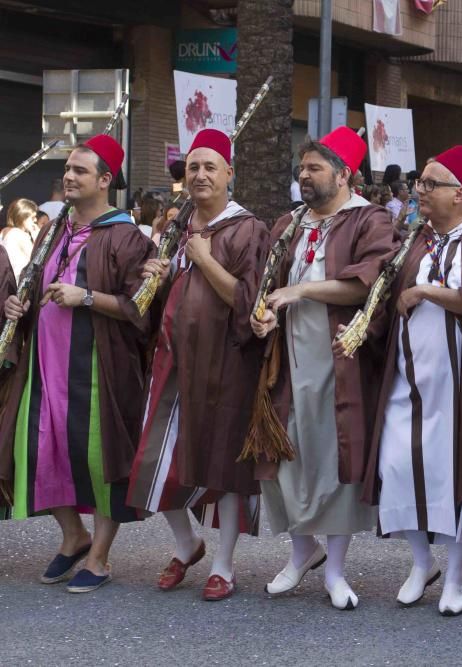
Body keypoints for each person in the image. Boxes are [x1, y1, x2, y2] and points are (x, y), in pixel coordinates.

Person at [356, 144, 462, 616]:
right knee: (397, 466)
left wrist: (426, 291)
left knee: (451, 472)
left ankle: (455, 575)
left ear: (460, 193)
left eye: (430, 184)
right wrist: (360, 328)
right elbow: (387, 297)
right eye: (420, 183)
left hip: (456, 381)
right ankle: (421, 563)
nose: (419, 191)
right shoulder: (414, 238)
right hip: (405, 376)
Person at [250, 128, 397, 609]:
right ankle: (301, 551)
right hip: (287, 363)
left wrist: (301, 292)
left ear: (343, 173)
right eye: (302, 168)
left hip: (338, 361)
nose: (304, 176)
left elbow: (367, 285)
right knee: (285, 457)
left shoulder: (368, 220)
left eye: (314, 168)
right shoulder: (289, 223)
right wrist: (265, 313)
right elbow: (268, 283)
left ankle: (335, 570)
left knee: (334, 461)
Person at [0, 135, 154, 593]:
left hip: (98, 368)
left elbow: (140, 308)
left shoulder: (127, 236)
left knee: (98, 457)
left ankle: (101, 558)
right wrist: (17, 305)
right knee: (37, 452)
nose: (69, 176)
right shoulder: (54, 228)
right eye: (68, 168)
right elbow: (37, 288)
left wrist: (85, 297)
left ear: (105, 181)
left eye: (80, 171)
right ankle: (73, 537)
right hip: (43, 367)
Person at [126, 128, 270, 602]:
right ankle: (187, 544)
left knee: (223, 465)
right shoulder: (174, 228)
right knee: (154, 461)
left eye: (211, 167)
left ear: (230, 173)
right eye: (193, 167)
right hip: (173, 362)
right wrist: (158, 278)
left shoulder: (248, 229)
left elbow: (248, 301)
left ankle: (224, 566)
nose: (201, 175)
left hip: (226, 364)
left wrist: (205, 260)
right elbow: (164, 300)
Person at [0, 198, 40, 278]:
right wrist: (37, 238)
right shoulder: (20, 235)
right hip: (18, 281)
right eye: (32, 218)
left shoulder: (4, 231)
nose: (35, 220)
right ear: (22, 217)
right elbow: (36, 259)